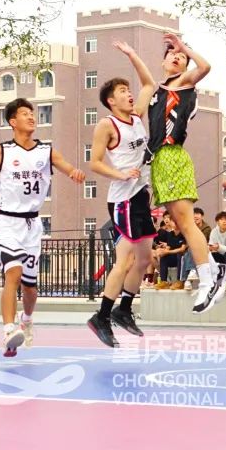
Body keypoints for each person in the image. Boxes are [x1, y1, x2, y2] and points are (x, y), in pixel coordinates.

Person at [0, 97, 84, 356]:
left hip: (32, 226)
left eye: (32, 113)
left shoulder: (47, 152)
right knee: (13, 273)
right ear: (13, 121)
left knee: (30, 287)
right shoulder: (1, 151)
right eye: (24, 113)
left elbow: (67, 167)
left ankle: (26, 320)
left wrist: (74, 173)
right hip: (6, 223)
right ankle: (8, 330)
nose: (31, 117)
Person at [144, 32, 226, 313]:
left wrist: (184, 47)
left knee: (188, 224)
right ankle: (216, 269)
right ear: (162, 61)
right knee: (181, 225)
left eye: (181, 56)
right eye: (173, 53)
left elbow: (205, 67)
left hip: (173, 157)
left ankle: (207, 280)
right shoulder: (158, 90)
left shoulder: (183, 82)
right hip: (159, 160)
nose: (177, 57)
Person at [86, 45, 158, 346]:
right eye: (122, 91)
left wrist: (132, 55)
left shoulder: (137, 116)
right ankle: (101, 316)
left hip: (140, 196)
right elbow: (95, 162)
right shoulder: (107, 124)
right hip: (122, 199)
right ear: (110, 101)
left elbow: (149, 84)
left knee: (145, 259)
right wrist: (120, 174)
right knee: (125, 259)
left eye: (129, 90)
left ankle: (124, 309)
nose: (129, 94)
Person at [178, 207, 211, 286]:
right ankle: (188, 279)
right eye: (193, 214)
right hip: (191, 250)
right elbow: (185, 240)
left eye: (197, 214)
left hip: (203, 250)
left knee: (191, 249)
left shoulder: (207, 228)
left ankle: (188, 277)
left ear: (202, 216)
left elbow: (202, 241)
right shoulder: (189, 227)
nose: (195, 216)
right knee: (185, 255)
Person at [154, 216, 187, 289]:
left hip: (183, 257)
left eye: (177, 221)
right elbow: (168, 247)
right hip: (173, 257)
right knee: (163, 255)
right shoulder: (170, 234)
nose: (175, 223)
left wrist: (168, 252)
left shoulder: (184, 233)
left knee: (180, 255)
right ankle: (164, 281)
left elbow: (182, 249)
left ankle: (179, 281)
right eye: (173, 221)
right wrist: (163, 252)